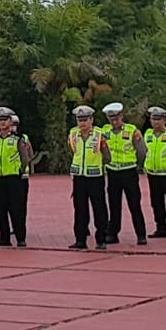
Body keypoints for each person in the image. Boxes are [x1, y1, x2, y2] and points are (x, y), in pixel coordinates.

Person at [100, 103, 148, 246]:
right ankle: (113, 233)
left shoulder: (132, 130)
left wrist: (138, 165)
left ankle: (141, 234)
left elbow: (142, 151)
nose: (114, 122)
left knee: (134, 204)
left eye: (116, 119)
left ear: (122, 116)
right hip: (113, 172)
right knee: (114, 205)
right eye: (111, 119)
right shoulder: (104, 131)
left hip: (129, 172)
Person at [67, 106, 110, 250]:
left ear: (91, 120)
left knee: (99, 208)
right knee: (80, 209)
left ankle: (101, 239)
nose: (82, 123)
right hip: (79, 177)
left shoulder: (99, 135)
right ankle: (80, 239)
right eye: (80, 120)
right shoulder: (73, 134)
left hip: (95, 177)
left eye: (85, 120)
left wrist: (96, 164)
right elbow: (73, 152)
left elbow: (106, 156)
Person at [0, 108, 32, 247]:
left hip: (15, 178)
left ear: (10, 121)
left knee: (17, 209)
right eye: (0, 120)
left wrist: (21, 170)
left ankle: (20, 238)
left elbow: (25, 157)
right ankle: (4, 238)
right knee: (1, 209)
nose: (2, 123)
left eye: (5, 120)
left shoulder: (17, 139)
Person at [140, 107, 166, 239]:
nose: (155, 122)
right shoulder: (148, 134)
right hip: (153, 174)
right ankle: (160, 228)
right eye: (153, 119)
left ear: (165, 120)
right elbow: (145, 151)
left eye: (159, 119)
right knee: (156, 203)